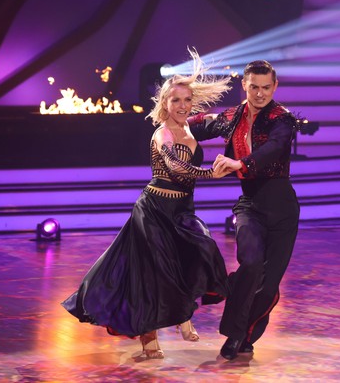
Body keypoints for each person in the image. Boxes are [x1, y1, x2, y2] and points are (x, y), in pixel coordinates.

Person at [61, 48, 232, 359]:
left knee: (201, 253)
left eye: (186, 100)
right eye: (175, 100)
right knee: (150, 276)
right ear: (165, 104)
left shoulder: (192, 131)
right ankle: (150, 342)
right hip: (153, 211)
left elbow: (222, 124)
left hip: (182, 211)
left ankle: (182, 314)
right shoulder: (162, 133)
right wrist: (210, 173)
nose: (182, 105)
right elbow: (176, 167)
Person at [189, 59, 301, 360]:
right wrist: (170, 121)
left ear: (275, 86)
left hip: (283, 211)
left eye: (266, 87)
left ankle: (244, 335)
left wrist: (241, 164)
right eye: (254, 87)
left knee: (267, 287)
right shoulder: (232, 117)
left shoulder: (283, 119)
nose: (260, 93)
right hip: (250, 206)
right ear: (245, 86)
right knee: (250, 264)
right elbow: (199, 126)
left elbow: (274, 148)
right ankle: (235, 331)